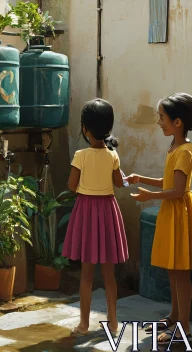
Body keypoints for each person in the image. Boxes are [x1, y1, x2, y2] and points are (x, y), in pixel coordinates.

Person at [127, 92, 192, 344]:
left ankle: (183, 327)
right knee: (173, 270)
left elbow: (177, 190)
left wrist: (148, 197)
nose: (158, 122)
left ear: (178, 122)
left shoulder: (185, 151)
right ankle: (174, 316)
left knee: (181, 273)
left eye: (162, 117)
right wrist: (141, 179)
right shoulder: (174, 146)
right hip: (173, 211)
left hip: (180, 212)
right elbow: (169, 181)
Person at [63, 98, 129, 336]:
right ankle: (113, 322)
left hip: (87, 213)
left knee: (87, 275)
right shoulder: (113, 156)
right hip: (108, 212)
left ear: (84, 129)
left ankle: (83, 324)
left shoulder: (81, 155)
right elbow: (119, 183)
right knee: (109, 274)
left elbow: (72, 185)